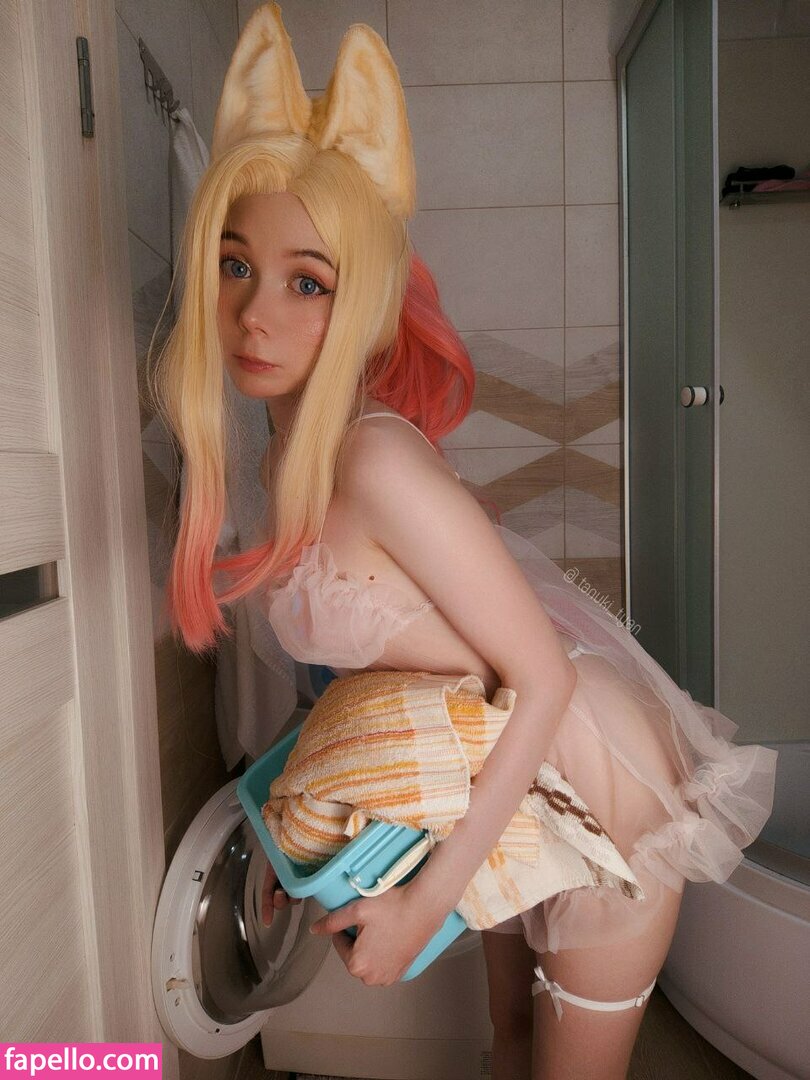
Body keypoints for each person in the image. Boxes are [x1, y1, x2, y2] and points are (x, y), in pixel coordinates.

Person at [148, 6, 778, 1078]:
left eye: (309, 282)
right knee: (510, 1044)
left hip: (592, 790)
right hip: (503, 788)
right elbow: (391, 660)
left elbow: (543, 676)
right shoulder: (287, 455)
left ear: (363, 301)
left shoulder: (374, 460)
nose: (255, 315)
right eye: (234, 263)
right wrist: (308, 825)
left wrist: (420, 905)